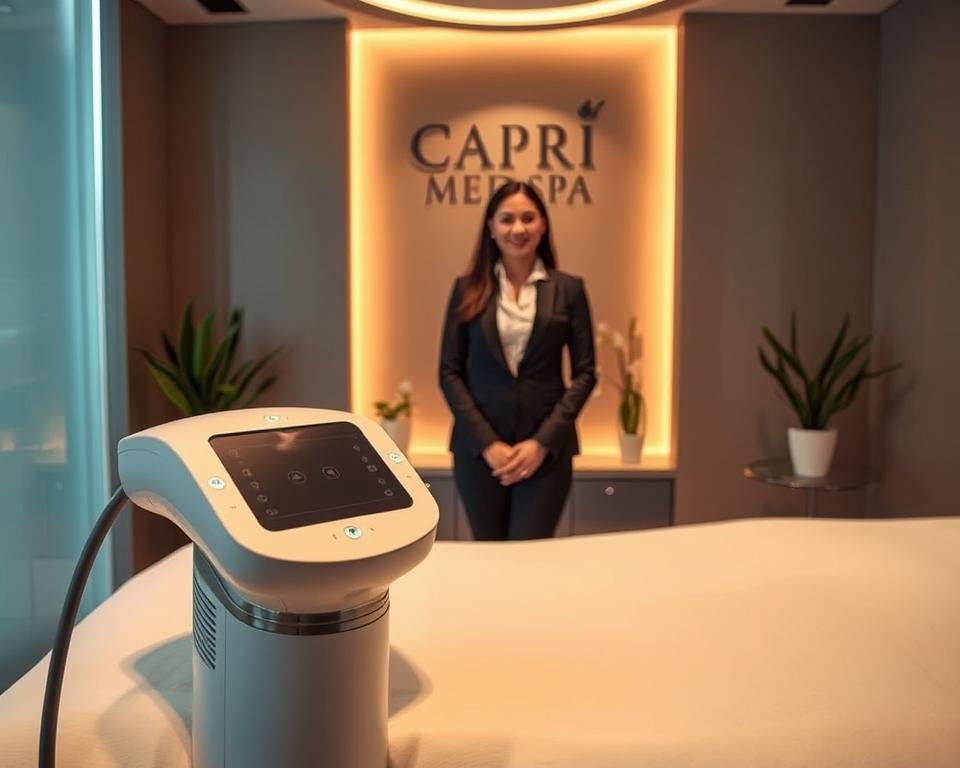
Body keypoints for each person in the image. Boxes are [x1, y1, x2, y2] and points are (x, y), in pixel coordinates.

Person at [438, 181, 596, 540]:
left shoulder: (569, 290)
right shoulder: (467, 289)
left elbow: (586, 373)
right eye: (507, 219)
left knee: (531, 559)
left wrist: (541, 443)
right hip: (480, 453)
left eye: (528, 218)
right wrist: (487, 444)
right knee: (489, 556)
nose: (518, 229)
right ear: (491, 227)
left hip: (546, 452)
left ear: (543, 224)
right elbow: (449, 373)